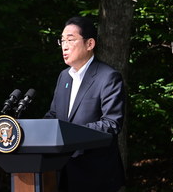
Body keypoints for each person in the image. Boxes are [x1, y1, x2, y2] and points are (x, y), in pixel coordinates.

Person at [44, 16, 126, 192]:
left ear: (90, 44)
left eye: (71, 40)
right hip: (63, 172)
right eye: (62, 40)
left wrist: (71, 134)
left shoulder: (108, 76)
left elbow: (111, 124)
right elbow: (53, 115)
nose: (64, 45)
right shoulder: (64, 76)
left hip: (96, 175)